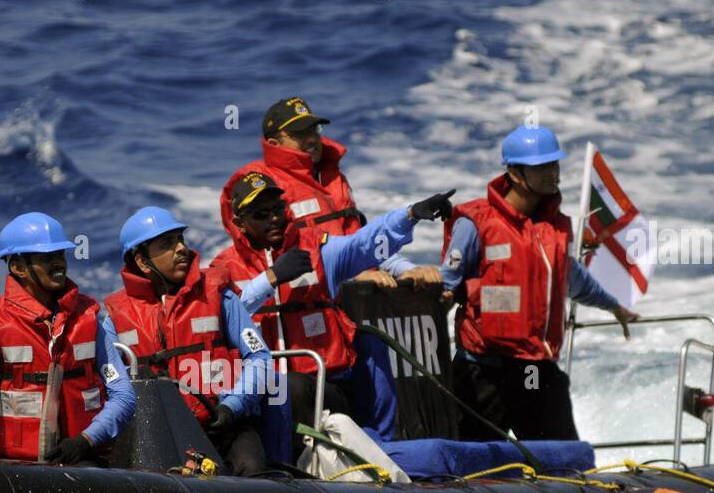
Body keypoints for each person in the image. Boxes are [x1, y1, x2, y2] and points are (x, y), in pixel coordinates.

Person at [213, 169, 454, 438]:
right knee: (285, 388)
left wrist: (408, 216)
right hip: (261, 393)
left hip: (325, 386)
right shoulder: (223, 269)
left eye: (278, 209)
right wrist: (271, 278)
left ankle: (380, 445)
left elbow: (363, 245)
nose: (273, 219)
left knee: (358, 350)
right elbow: (221, 321)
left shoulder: (317, 250)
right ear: (240, 223)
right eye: (260, 214)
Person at [441, 125, 640, 441]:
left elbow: (575, 281)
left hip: (535, 370)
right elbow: (445, 288)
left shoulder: (554, 229)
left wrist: (615, 307)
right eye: (542, 167)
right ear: (516, 174)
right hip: (482, 372)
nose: (553, 173)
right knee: (472, 470)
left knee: (563, 464)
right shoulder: (476, 223)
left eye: (555, 164)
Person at [0, 212, 136, 463]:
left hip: (81, 458)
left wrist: (85, 441)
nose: (58, 264)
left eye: (60, 255)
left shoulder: (87, 321)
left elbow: (123, 395)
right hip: (11, 465)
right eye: (46, 258)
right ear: (18, 267)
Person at [105, 207, 278, 476]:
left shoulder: (220, 296)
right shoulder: (115, 320)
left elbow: (260, 358)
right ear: (141, 261)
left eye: (181, 239)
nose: (181, 249)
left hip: (224, 427)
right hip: (158, 438)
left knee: (250, 466)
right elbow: (112, 385)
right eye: (167, 244)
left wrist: (232, 406)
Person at [245, 96, 443, 289]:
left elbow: (361, 241)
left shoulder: (333, 180)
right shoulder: (262, 190)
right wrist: (353, 275)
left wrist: (404, 268)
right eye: (299, 134)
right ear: (273, 144)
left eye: (313, 130)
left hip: (355, 298)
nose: (312, 139)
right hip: (308, 304)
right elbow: (273, 262)